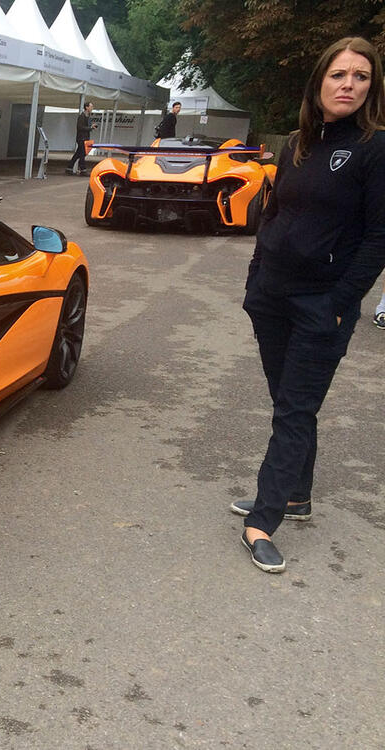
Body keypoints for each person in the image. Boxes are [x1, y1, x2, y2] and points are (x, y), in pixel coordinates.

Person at [231, 36, 385, 573]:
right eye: (339, 74)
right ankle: (296, 495)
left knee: (295, 410)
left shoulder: (373, 148)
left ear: (372, 88)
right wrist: (255, 279)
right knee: (290, 404)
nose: (348, 85)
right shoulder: (299, 142)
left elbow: (377, 238)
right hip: (270, 297)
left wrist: (342, 302)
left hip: (322, 305)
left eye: (360, 77)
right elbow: (273, 213)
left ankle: (264, 520)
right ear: (319, 83)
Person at [67, 101, 95, 175]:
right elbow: (80, 127)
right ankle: (83, 170)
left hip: (84, 138)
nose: (92, 108)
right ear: (86, 107)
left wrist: (91, 127)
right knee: (82, 154)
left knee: (78, 154)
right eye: (91, 106)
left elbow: (84, 127)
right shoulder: (82, 116)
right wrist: (90, 128)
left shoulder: (87, 116)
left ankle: (69, 168)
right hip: (81, 138)